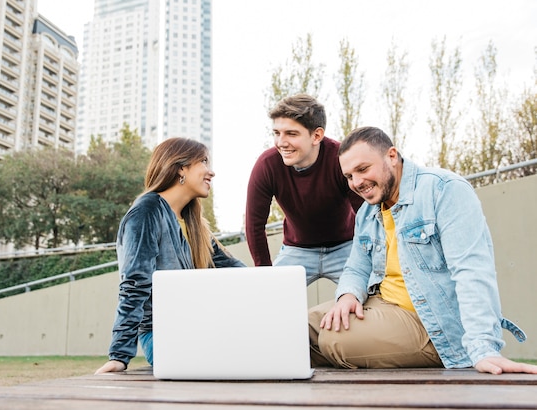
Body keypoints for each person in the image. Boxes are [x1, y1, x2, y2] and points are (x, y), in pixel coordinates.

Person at [308, 126, 537, 375]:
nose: (357, 182)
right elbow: (356, 267)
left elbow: (472, 271)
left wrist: (482, 348)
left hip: (431, 325)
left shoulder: (444, 190)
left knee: (335, 341)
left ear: (392, 156)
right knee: (298, 328)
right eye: (349, 176)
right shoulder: (366, 212)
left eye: (363, 169)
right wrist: (348, 296)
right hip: (383, 305)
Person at [95, 137, 245, 374]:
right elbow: (134, 285)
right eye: (203, 162)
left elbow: (235, 270)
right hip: (162, 335)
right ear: (181, 168)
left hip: (197, 328)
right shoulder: (146, 212)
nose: (211, 172)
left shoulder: (195, 225)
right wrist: (119, 356)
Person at [245, 94, 363, 285]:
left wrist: (370, 257)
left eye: (291, 134)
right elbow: (254, 225)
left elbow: (367, 214)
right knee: (268, 298)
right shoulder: (267, 165)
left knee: (369, 294)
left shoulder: (340, 159)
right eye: (277, 133)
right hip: (296, 249)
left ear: (316, 136)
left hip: (346, 246)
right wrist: (264, 274)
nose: (281, 142)